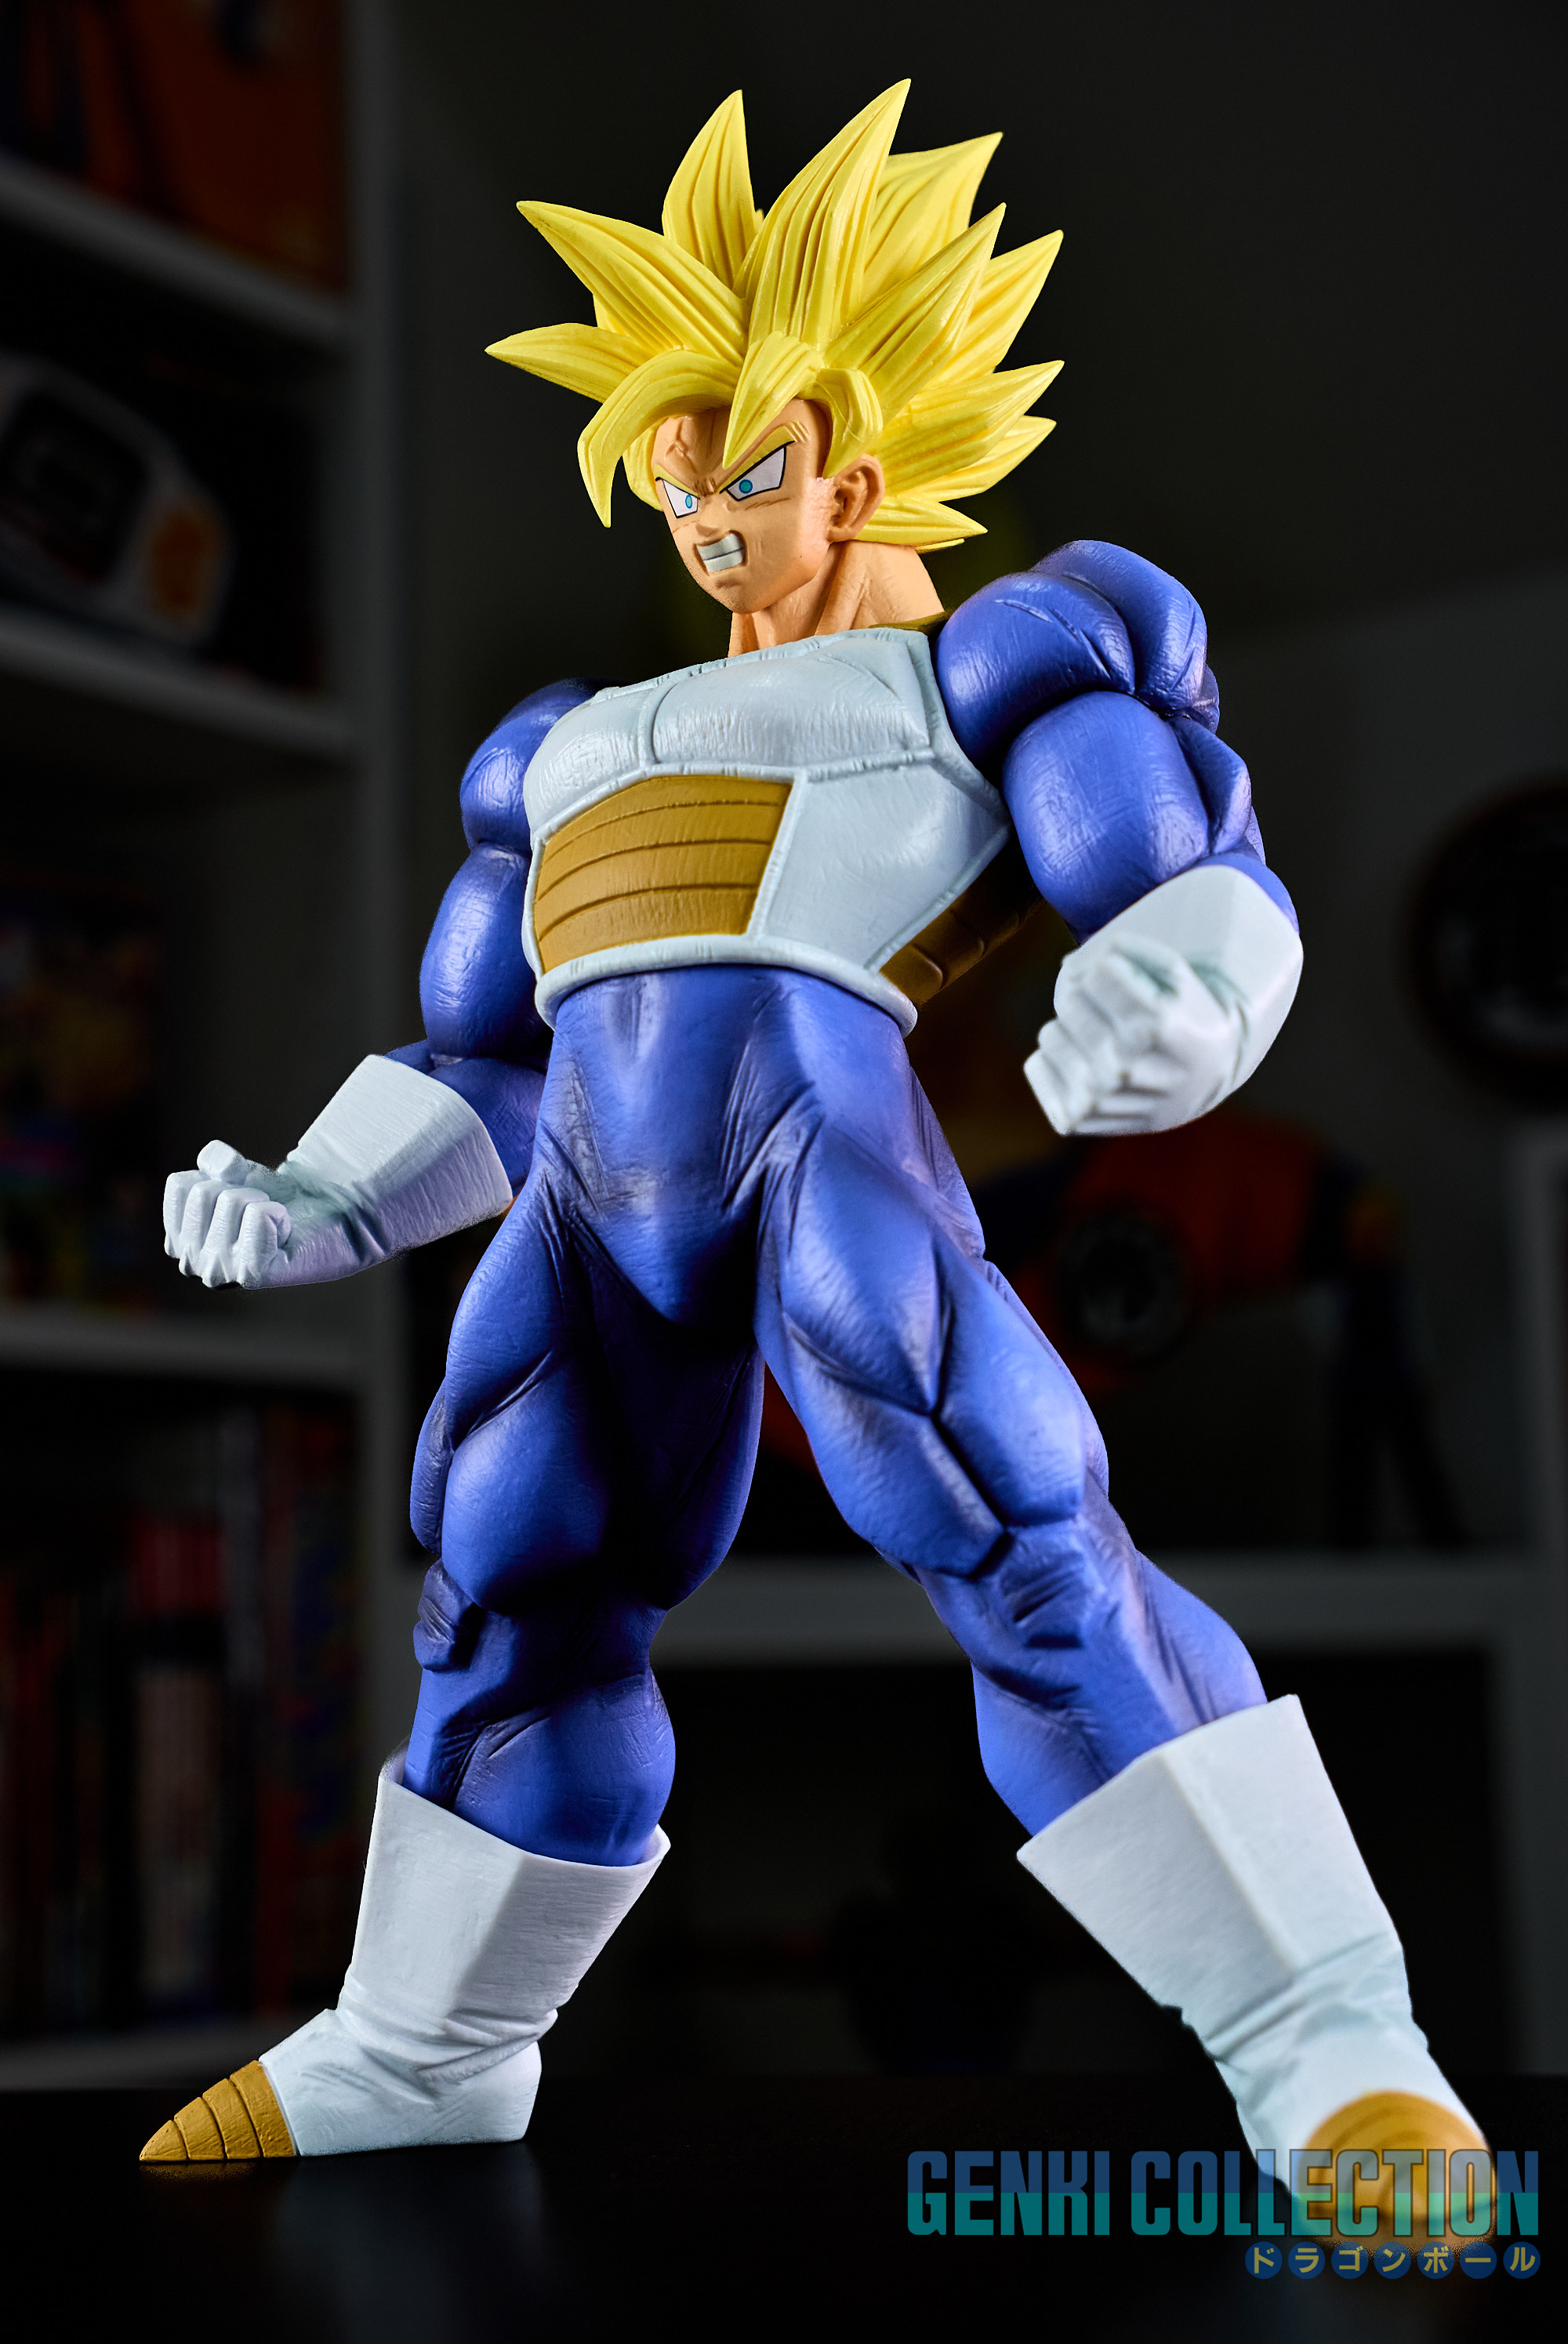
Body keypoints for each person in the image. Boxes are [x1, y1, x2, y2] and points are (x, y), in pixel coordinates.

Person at [145, 88, 1481, 2229]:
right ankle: (424, 2047)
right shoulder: (563, 749)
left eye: (743, 472)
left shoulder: (993, 660)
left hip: (820, 1162)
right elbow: (482, 1059)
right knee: (505, 1575)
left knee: (1016, 1526)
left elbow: (1184, 858)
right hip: (587, 1213)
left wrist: (1186, 988)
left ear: (853, 460)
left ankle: (1325, 2042)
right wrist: (314, 1196)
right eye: (672, 482)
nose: (704, 524)